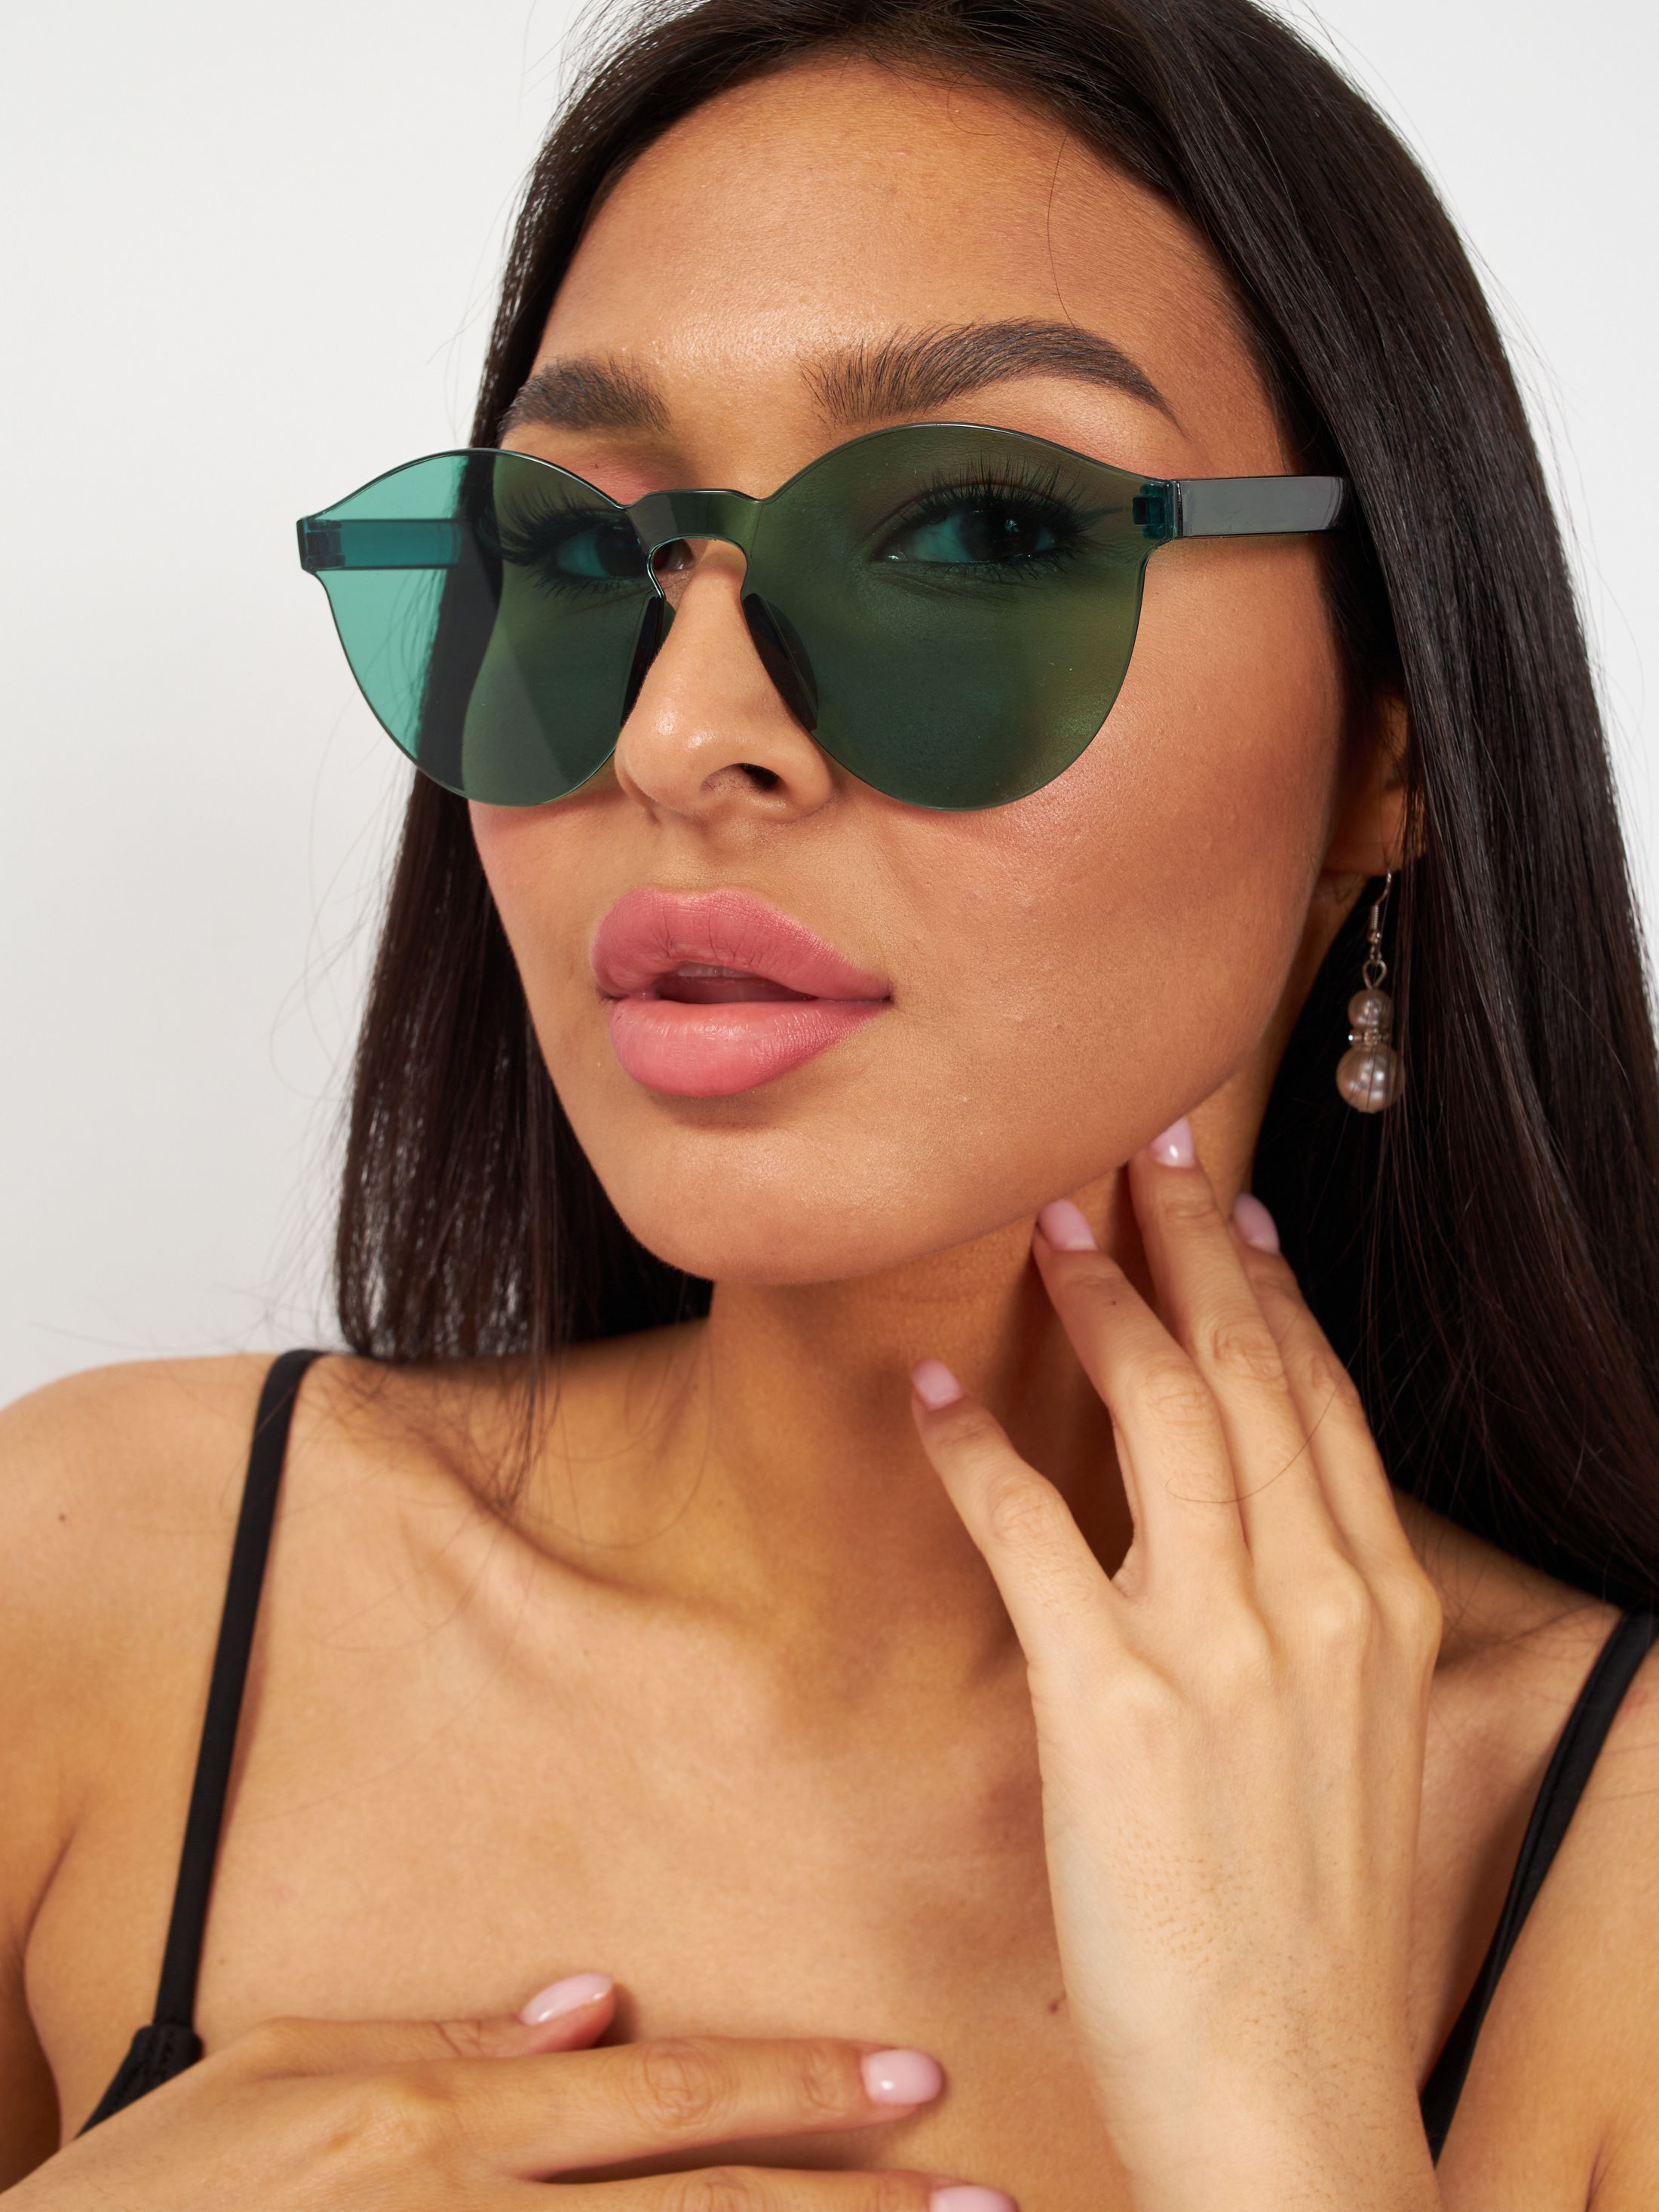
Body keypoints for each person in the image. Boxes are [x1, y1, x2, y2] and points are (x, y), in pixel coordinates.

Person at [5, 0, 1658, 2205]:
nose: (683, 733)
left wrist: (1288, 2127)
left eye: (972, 538)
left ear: (1393, 743)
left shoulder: (1619, 1871)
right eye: (583, 556)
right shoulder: (93, 1587)